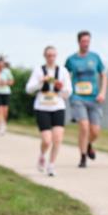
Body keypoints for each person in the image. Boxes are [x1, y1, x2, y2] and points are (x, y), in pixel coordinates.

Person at [26, 46, 72, 177]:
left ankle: (51, 165)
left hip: (58, 106)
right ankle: (42, 155)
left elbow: (68, 91)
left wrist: (60, 87)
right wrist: (41, 82)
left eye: (53, 55)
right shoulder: (38, 70)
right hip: (42, 107)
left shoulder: (62, 71)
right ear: (44, 56)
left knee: (58, 138)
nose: (51, 58)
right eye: (48, 55)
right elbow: (29, 89)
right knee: (47, 140)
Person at [66, 30, 107, 168]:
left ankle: (88, 144)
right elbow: (65, 76)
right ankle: (83, 157)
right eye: (83, 41)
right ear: (78, 42)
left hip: (94, 98)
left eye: (88, 41)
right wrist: (67, 91)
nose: (86, 44)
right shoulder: (71, 60)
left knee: (95, 131)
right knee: (84, 126)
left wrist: (102, 92)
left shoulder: (95, 57)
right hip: (77, 97)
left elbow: (104, 75)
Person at [0, 56, 14, 135]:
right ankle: (0, 126)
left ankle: (4, 124)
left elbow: (11, 81)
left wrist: (5, 83)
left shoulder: (7, 71)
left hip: (6, 92)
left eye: (2, 63)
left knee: (5, 111)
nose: (1, 65)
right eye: (0, 63)